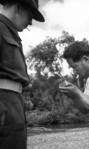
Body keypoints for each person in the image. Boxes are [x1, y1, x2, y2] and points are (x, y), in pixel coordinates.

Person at [0, 0, 44, 148]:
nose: (30, 23)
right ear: (18, 7)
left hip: (13, 104)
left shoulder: (11, 33)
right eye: (30, 16)